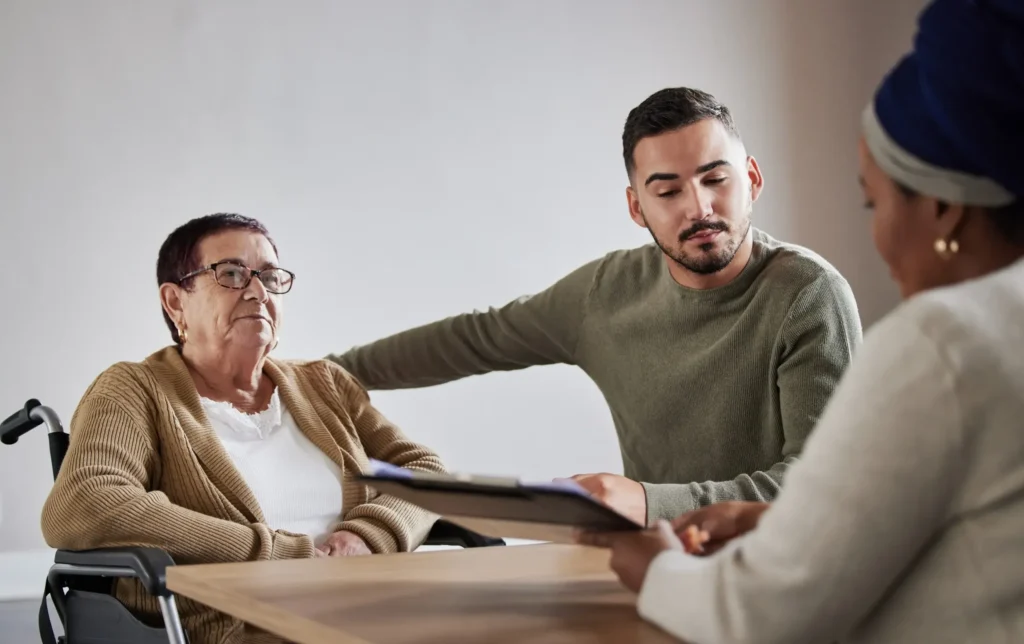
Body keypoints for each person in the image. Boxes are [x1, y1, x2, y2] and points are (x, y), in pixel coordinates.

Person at [576, 1, 1024, 642]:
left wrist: (655, 570)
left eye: (874, 202)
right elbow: (969, 526)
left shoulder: (942, 340)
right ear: (637, 204)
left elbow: (763, 616)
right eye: (668, 190)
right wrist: (780, 526)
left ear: (945, 210)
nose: (874, 235)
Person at [329, 87, 863, 525]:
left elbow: (822, 487)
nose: (699, 207)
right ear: (637, 207)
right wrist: (323, 374)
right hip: (660, 571)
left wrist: (648, 502)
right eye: (668, 191)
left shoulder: (808, 294)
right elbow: (477, 338)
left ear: (751, 180)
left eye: (715, 179)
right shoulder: (606, 294)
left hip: (792, 583)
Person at [40, 214, 446, 644]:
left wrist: (367, 536)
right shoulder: (136, 389)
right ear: (176, 302)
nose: (257, 291)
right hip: (235, 627)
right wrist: (276, 554)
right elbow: (84, 502)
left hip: (366, 608)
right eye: (231, 274)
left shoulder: (323, 382)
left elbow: (425, 469)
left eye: (270, 277)